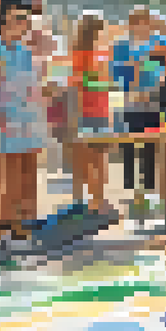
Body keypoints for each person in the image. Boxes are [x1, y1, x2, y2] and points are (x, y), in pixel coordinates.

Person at [0, 0, 51, 246]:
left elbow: (34, 84)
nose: (24, 24)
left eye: (26, 19)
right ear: (3, 20)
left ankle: (24, 228)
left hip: (30, 117)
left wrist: (47, 87)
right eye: (18, 19)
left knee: (29, 174)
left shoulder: (26, 50)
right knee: (7, 176)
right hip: (5, 119)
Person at [113, 8, 166, 209]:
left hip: (153, 100)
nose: (143, 27)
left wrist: (148, 74)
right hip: (129, 100)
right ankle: (132, 191)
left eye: (146, 22)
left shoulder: (160, 43)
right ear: (132, 25)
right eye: (139, 22)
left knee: (151, 145)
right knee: (129, 144)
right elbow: (116, 71)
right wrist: (133, 73)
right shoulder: (122, 45)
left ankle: (148, 190)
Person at [69, 12, 115, 215]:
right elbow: (81, 83)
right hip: (87, 112)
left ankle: (99, 200)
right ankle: (96, 200)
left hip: (99, 111)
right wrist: (102, 81)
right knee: (91, 159)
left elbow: (90, 82)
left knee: (98, 158)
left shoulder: (99, 54)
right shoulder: (81, 55)